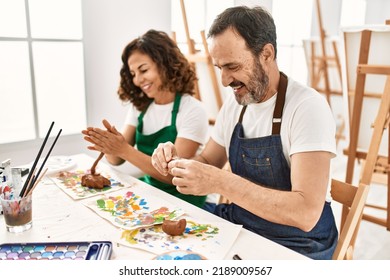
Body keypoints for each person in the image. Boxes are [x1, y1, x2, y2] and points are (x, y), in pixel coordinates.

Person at [151, 6, 338, 259]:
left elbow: (305, 213)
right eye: (219, 68)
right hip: (241, 225)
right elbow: (207, 161)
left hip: (297, 243)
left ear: (267, 54)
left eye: (233, 66)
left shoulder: (307, 107)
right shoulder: (236, 103)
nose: (225, 80)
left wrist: (218, 181)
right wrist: (178, 163)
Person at [82, 29, 209, 208]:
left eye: (143, 70)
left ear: (166, 64)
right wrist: (110, 145)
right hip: (153, 194)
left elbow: (174, 175)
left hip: (185, 203)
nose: (137, 80)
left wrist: (123, 149)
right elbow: (116, 160)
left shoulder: (193, 110)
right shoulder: (140, 108)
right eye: (133, 74)